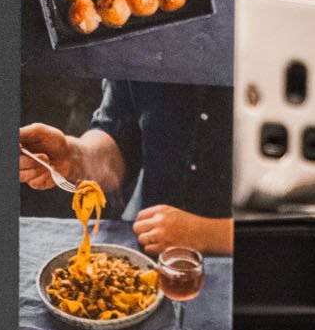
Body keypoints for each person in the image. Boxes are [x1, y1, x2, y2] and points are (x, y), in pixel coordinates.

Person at [18, 79, 233, 256]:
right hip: (146, 237)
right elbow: (119, 138)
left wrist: (208, 235)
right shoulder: (136, 49)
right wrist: (74, 155)